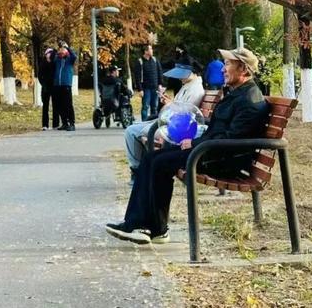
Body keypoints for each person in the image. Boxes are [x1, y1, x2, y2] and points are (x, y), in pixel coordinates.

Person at [106, 46, 268, 245]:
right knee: (151, 158)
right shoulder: (239, 93)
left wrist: (195, 143)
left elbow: (231, 140)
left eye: (227, 64)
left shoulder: (249, 98)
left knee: (159, 163)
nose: (223, 69)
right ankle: (151, 228)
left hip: (221, 158)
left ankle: (142, 226)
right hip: (211, 151)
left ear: (243, 70)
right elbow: (220, 131)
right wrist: (191, 137)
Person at [124, 60, 205, 180]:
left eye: (181, 74)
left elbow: (184, 115)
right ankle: (138, 170)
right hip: (169, 123)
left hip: (176, 128)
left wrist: (169, 105)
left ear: (192, 73)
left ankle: (137, 171)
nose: (179, 78)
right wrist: (169, 102)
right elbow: (179, 107)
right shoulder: (188, 86)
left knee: (131, 131)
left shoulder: (196, 89)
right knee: (133, 128)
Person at [134, 45, 163, 121]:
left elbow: (159, 72)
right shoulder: (140, 62)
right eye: (150, 49)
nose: (152, 50)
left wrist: (160, 84)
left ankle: (153, 122)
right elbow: (137, 77)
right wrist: (140, 89)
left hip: (155, 88)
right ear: (146, 51)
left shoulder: (155, 60)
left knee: (155, 107)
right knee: (145, 107)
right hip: (145, 88)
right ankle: (144, 123)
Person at [53, 40, 77, 131]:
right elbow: (52, 57)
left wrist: (67, 47)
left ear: (66, 52)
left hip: (66, 84)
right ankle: (64, 123)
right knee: (59, 105)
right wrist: (57, 48)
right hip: (57, 85)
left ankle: (72, 123)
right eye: (60, 51)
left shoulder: (69, 60)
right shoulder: (57, 60)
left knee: (68, 104)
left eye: (63, 52)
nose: (61, 53)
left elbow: (74, 56)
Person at [38, 47, 58, 130]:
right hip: (45, 87)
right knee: (45, 106)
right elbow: (40, 75)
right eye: (48, 53)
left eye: (51, 53)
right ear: (45, 55)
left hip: (54, 86)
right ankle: (45, 125)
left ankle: (55, 124)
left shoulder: (54, 63)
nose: (49, 55)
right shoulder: (43, 63)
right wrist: (43, 84)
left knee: (55, 105)